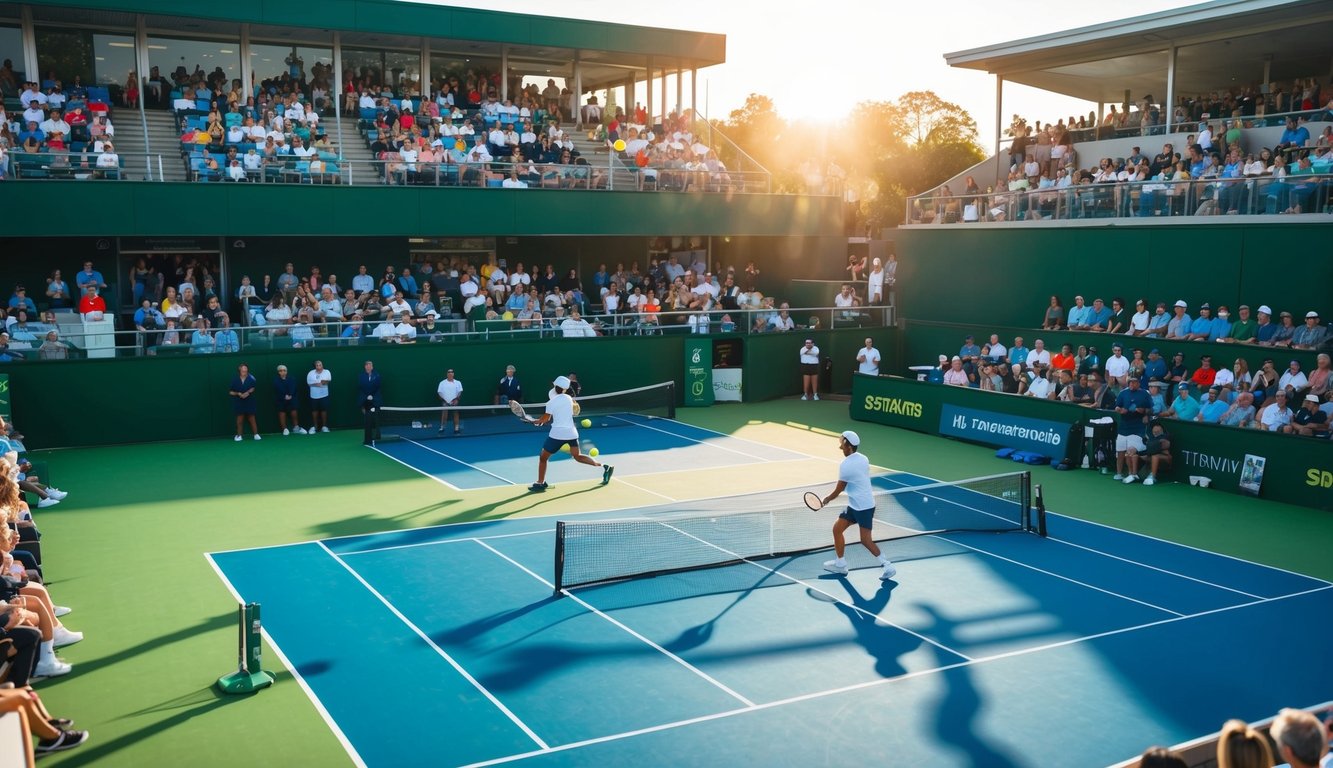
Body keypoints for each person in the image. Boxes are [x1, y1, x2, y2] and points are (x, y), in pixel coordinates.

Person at [820, 431, 896, 581]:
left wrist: (827, 499)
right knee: (837, 529)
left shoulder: (846, 465)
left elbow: (840, 488)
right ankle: (841, 564)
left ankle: (888, 565)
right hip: (855, 503)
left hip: (864, 507)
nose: (840, 447)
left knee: (865, 540)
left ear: (848, 445)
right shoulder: (864, 458)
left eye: (842, 443)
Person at [527, 375, 611, 492]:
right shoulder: (569, 399)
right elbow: (571, 411)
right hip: (572, 433)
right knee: (577, 456)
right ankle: (604, 466)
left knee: (543, 458)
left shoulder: (551, 403)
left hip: (557, 434)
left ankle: (540, 483)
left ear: (555, 387)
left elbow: (545, 419)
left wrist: (535, 421)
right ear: (565, 389)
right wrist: (541, 421)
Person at [1114, 377, 1153, 483]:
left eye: (1134, 382)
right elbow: (1117, 406)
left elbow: (1150, 409)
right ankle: (1119, 473)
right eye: (1130, 382)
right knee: (1120, 451)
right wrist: (1120, 410)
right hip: (1123, 427)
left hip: (1137, 428)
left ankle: (1133, 474)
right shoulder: (1123, 393)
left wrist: (1143, 411)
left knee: (1131, 451)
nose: (1132, 384)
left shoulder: (1145, 394)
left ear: (1138, 384)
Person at [228, 363, 261, 441]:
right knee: (239, 419)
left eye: (246, 370)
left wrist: (247, 393)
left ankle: (256, 435)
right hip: (239, 402)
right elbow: (230, 392)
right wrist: (238, 393)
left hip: (249, 401)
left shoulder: (251, 379)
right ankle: (239, 436)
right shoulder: (235, 380)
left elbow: (253, 388)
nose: (245, 371)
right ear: (240, 370)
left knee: (252, 418)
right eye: (243, 370)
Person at [273, 364, 304, 435]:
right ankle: (285, 429)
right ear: (278, 372)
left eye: (284, 370)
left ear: (286, 371)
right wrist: (284, 396)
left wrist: (290, 395)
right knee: (281, 412)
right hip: (281, 399)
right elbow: (278, 390)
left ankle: (296, 428)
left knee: (294, 411)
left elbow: (293, 388)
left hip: (292, 398)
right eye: (281, 371)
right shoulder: (276, 380)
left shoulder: (292, 379)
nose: (283, 372)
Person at [357, 360, 381, 446]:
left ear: (372, 367)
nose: (368, 367)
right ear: (365, 367)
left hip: (375, 401)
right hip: (365, 401)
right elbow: (362, 386)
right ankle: (367, 440)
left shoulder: (377, 375)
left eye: (370, 365)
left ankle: (377, 438)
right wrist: (367, 396)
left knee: (376, 420)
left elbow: (377, 386)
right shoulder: (361, 376)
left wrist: (372, 396)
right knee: (367, 421)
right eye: (367, 365)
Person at [307, 360, 332, 433]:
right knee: (314, 411)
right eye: (317, 365)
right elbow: (309, 383)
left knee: (324, 410)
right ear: (315, 366)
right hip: (314, 396)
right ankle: (315, 427)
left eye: (320, 365)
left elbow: (328, 381)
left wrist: (324, 382)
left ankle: (324, 427)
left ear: (322, 365)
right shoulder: (311, 373)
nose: (319, 366)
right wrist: (316, 384)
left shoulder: (327, 372)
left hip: (324, 395)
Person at [437, 368, 463, 434]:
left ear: (453, 374)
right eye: (449, 372)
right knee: (444, 413)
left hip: (455, 402)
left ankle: (456, 428)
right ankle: (442, 427)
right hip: (445, 402)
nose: (450, 373)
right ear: (447, 374)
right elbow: (439, 393)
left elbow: (459, 392)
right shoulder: (442, 383)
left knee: (455, 413)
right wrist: (444, 400)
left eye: (452, 372)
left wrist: (456, 399)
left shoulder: (458, 382)